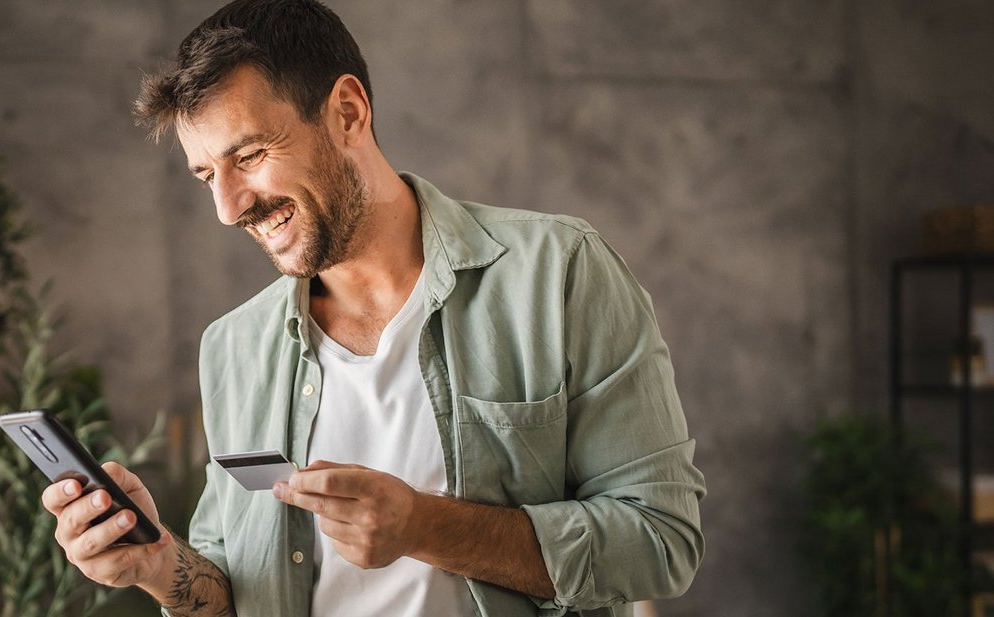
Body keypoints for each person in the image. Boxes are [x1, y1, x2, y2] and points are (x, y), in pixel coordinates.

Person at [40, 1, 706, 615]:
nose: (228, 206)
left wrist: (423, 526)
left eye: (250, 156)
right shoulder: (233, 346)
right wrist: (160, 565)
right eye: (208, 174)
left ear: (348, 113)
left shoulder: (557, 272)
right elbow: (238, 594)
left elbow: (662, 539)